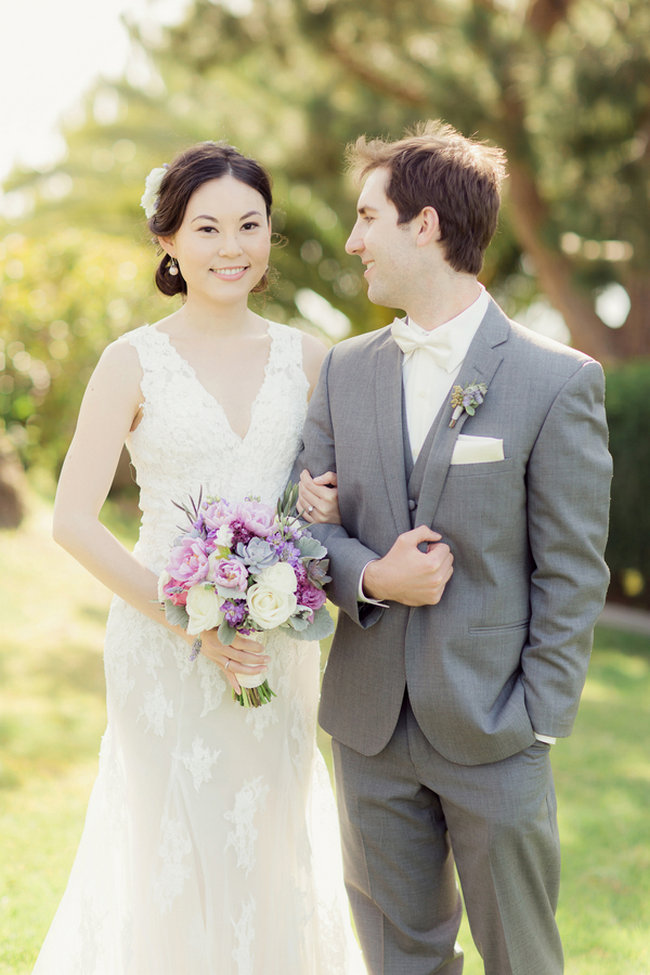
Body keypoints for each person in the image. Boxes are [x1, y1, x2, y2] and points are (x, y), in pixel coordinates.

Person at [33, 142, 365, 974]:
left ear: (268, 235)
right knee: (169, 851)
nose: (231, 247)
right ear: (169, 242)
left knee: (268, 846)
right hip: (160, 649)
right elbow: (72, 521)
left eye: (249, 225)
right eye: (207, 226)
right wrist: (190, 623)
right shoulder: (132, 360)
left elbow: (327, 501)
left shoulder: (312, 359)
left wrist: (319, 507)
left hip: (271, 646)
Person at [296, 121, 612, 975]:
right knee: (402, 959)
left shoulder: (558, 380)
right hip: (366, 728)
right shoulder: (345, 369)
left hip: (495, 728)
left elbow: (575, 570)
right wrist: (372, 575)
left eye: (368, 218)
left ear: (425, 224)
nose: (354, 240)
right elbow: (306, 527)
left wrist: (538, 719)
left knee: (522, 958)